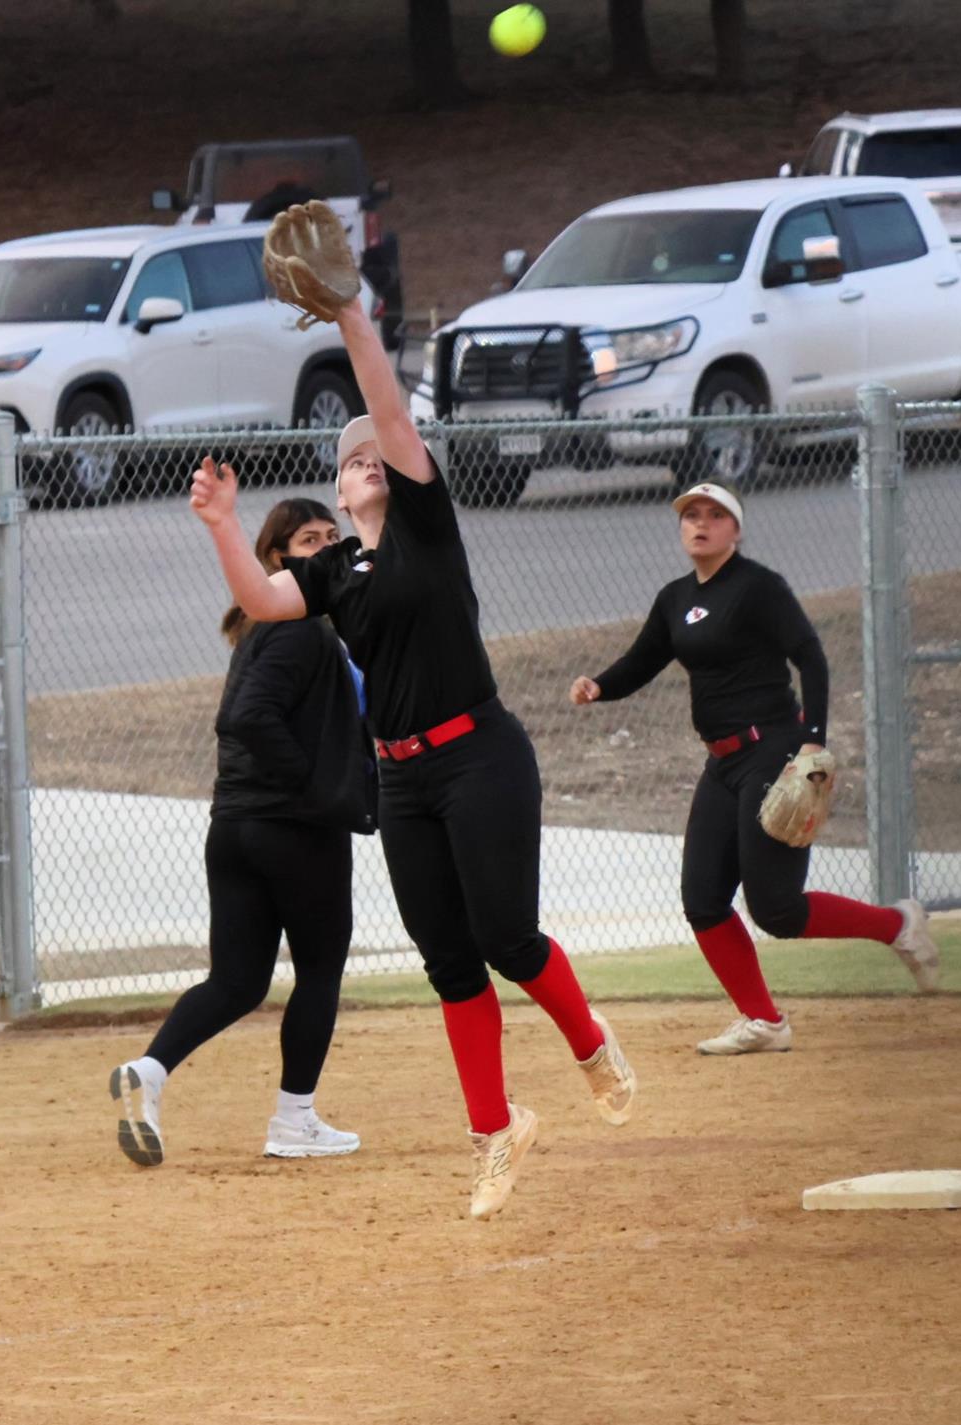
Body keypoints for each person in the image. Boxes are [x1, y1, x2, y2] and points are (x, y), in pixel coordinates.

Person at [189, 290, 636, 1223]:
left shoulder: (429, 528)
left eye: (375, 454)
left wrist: (352, 315)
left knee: (507, 938)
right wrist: (223, 525)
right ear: (340, 496)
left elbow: (388, 410)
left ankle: (591, 1045)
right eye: (350, 462)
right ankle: (494, 1133)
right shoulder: (333, 571)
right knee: (448, 961)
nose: (367, 462)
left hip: (480, 755)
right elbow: (262, 600)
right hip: (402, 775)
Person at [568, 481, 940, 1057]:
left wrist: (813, 745)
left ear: (735, 531)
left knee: (777, 910)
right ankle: (763, 1020)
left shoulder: (759, 588)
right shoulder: (674, 599)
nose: (701, 523)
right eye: (691, 514)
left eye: (715, 515)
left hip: (774, 751)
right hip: (721, 762)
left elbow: (810, 656)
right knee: (702, 899)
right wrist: (599, 685)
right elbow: (644, 659)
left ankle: (897, 926)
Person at [111, 499, 376, 1167]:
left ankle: (150, 1071)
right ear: (276, 560)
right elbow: (247, 718)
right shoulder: (300, 629)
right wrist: (313, 788)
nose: (324, 548)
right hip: (291, 829)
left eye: (331, 537)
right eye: (307, 540)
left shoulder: (264, 626)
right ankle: (295, 1117)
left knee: (236, 981)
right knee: (319, 968)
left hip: (234, 827)